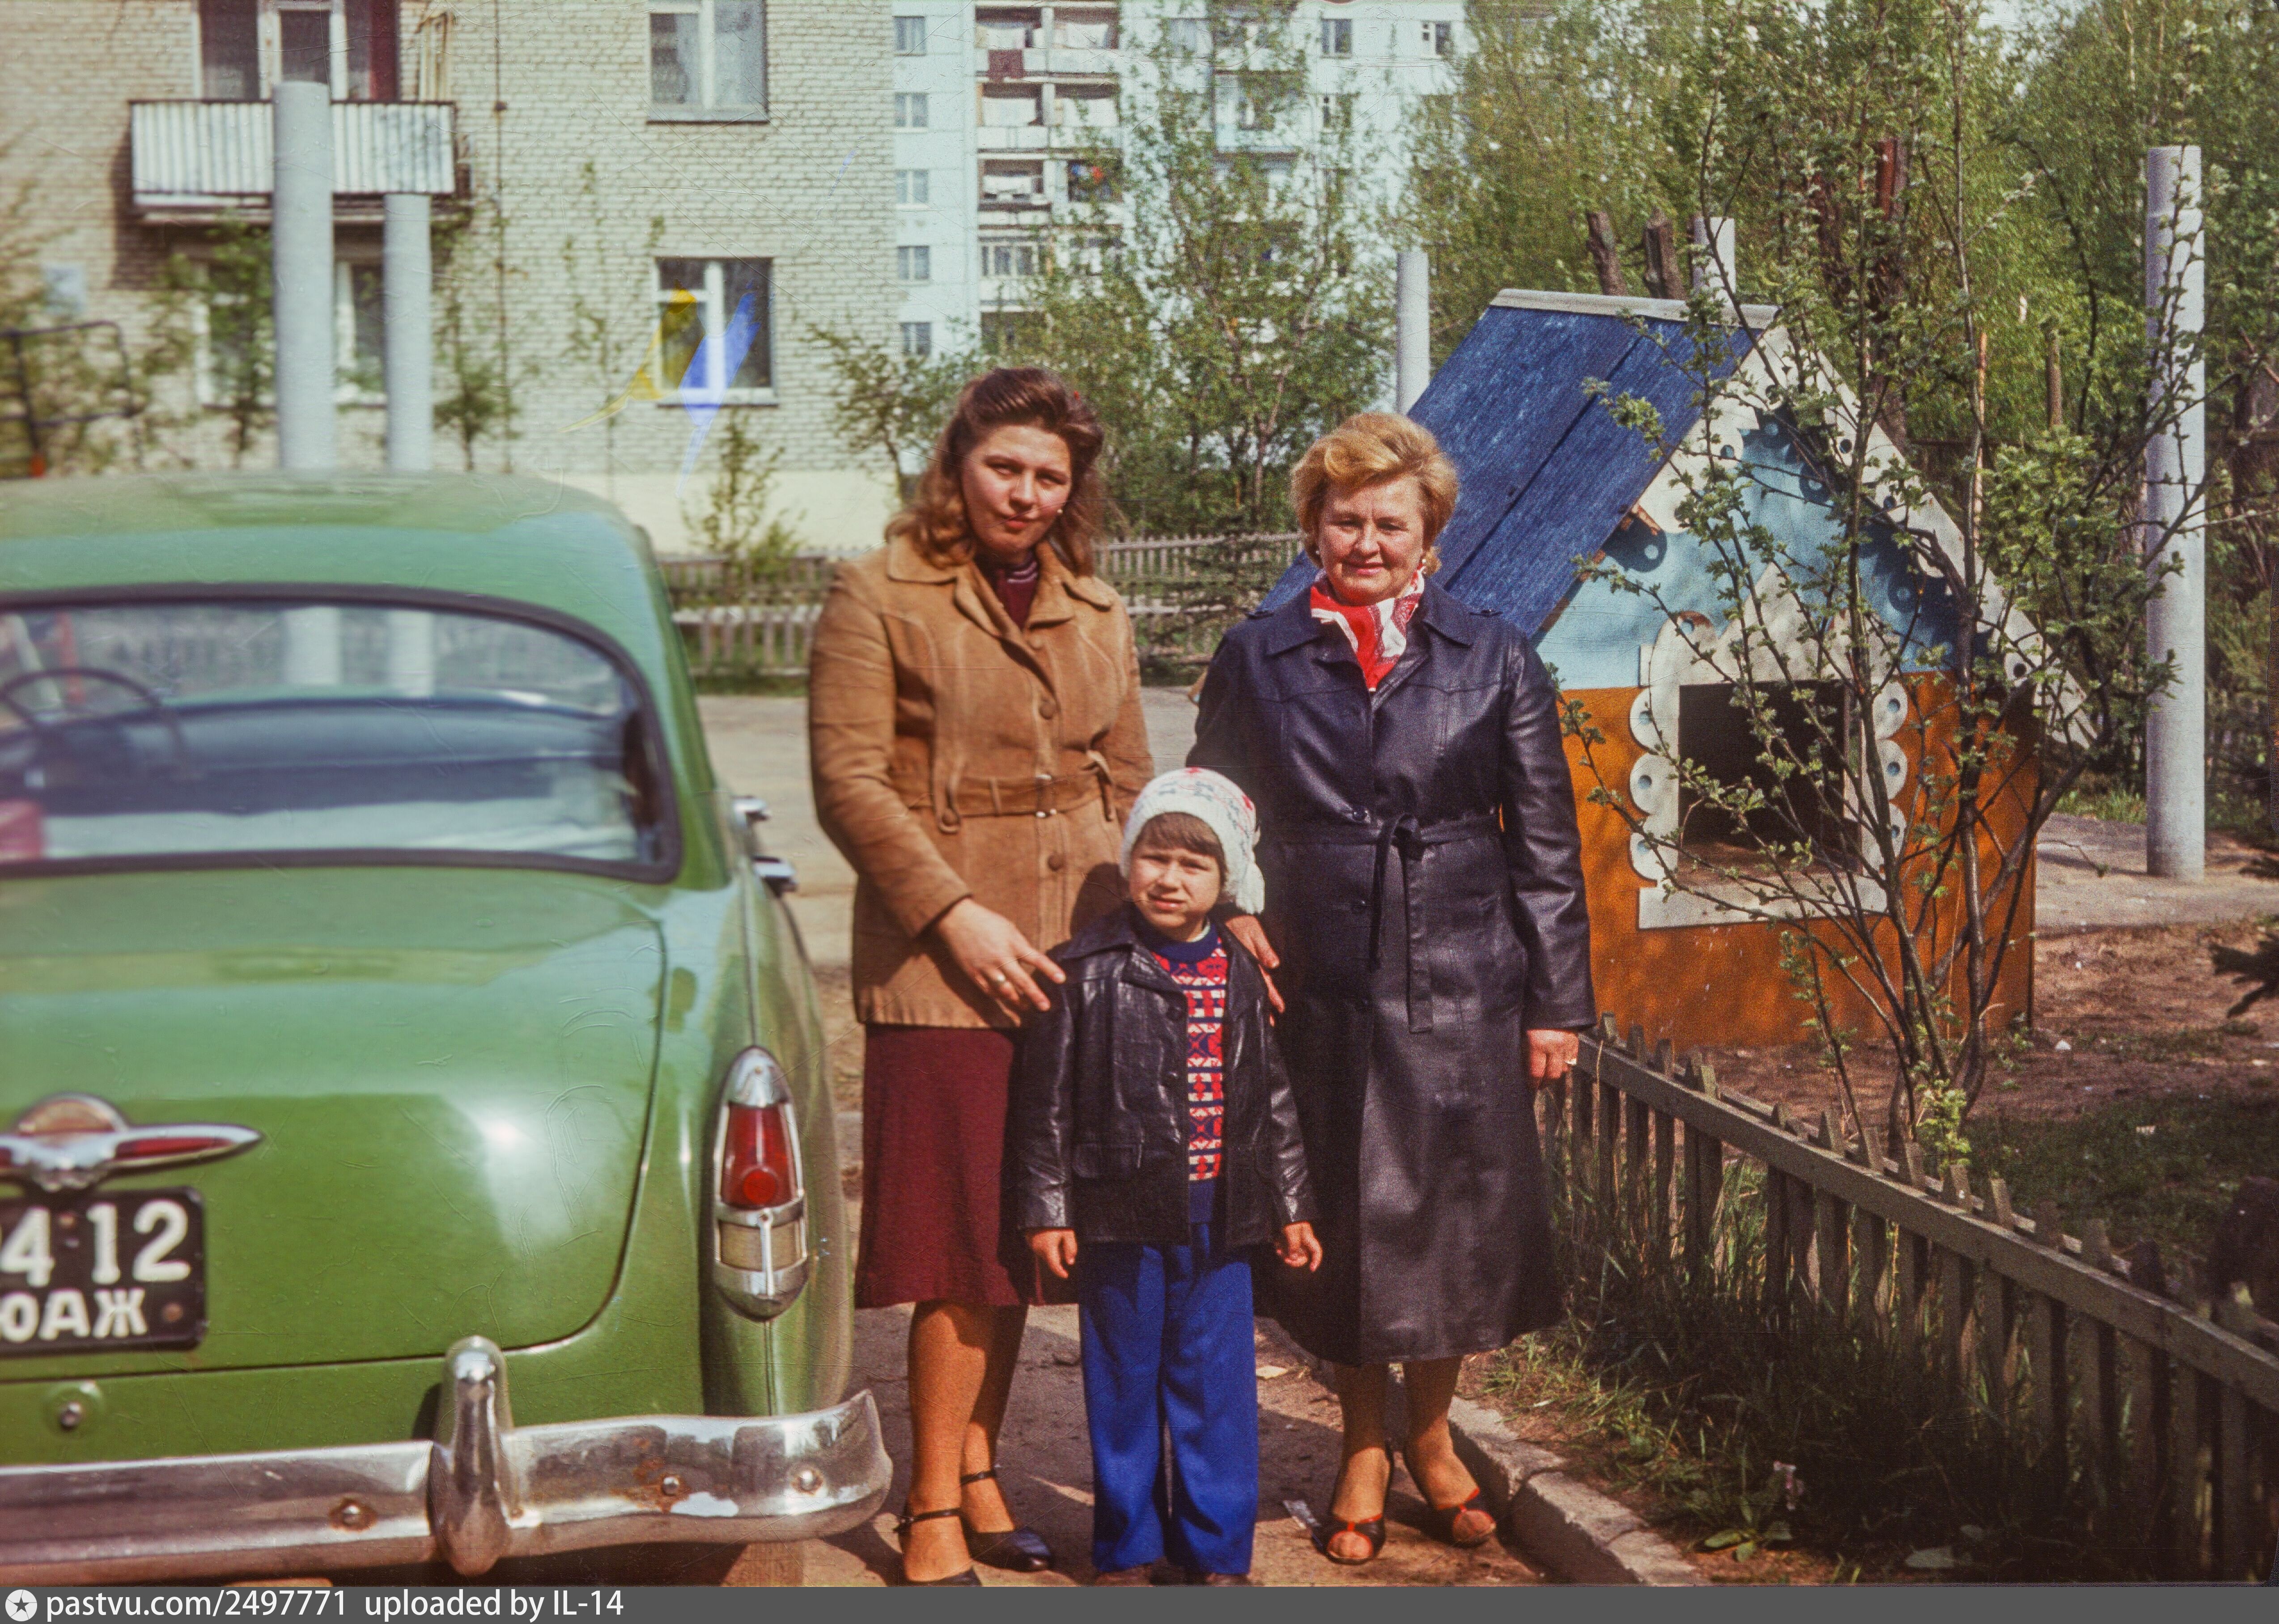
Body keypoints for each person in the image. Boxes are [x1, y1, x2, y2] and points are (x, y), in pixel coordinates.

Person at [1188, 412, 1596, 1565]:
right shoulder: (1255, 654)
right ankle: (1362, 1446)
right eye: (1344, 520)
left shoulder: (1496, 655)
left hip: (1463, 970)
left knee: (1452, 1220)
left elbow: (1546, 842)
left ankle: (1432, 1435)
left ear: (1430, 539)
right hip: (1312, 975)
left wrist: (1557, 1003)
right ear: (1312, 529)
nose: (1364, 542)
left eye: (1388, 524)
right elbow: (1210, 802)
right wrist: (1232, 908)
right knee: (1340, 1221)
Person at [808, 367, 1154, 1586]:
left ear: (1073, 490)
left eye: (1050, 476)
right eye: (1005, 466)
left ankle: (979, 1466)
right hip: (943, 968)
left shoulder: (1097, 607)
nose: (1026, 493)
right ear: (958, 465)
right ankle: (929, 1507)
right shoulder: (877, 593)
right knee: (953, 1244)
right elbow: (849, 784)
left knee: (1021, 1236)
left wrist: (1152, 938)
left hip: (1076, 957)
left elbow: (1130, 781)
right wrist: (954, 917)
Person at [1009, 768, 1320, 1586]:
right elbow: (1045, 1105)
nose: (1170, 879)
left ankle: (1215, 1551)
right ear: (1128, 863)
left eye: (1194, 864)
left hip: (1222, 1218)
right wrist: (1049, 1209)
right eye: (1155, 858)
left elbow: (1273, 1096)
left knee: (1216, 1388)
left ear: (1227, 881)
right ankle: (1129, 1547)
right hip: (1119, 1215)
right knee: (1123, 1386)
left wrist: (1291, 1204)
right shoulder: (1084, 969)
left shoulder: (1240, 969)